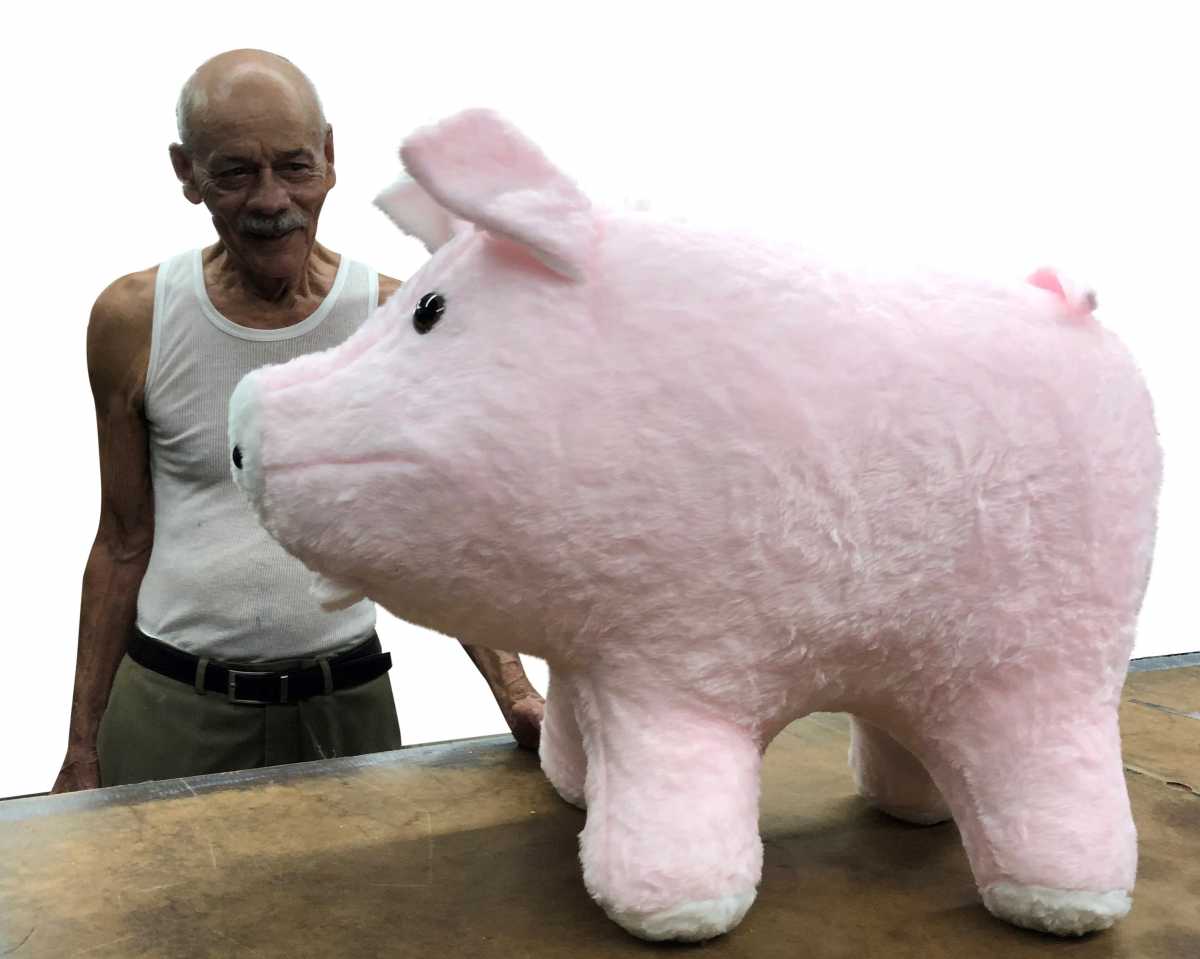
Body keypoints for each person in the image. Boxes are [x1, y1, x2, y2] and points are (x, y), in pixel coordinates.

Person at [52, 49, 544, 792]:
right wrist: (80, 746)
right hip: (172, 707)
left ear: (330, 158)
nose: (271, 200)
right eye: (234, 172)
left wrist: (516, 691)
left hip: (345, 703)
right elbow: (122, 538)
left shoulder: (391, 318)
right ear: (186, 172)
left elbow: (436, 528)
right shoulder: (134, 320)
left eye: (294, 166)